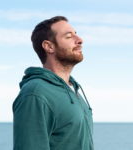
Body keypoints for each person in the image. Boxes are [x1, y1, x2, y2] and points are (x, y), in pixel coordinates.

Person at [13, 16, 94, 150]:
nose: (80, 40)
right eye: (69, 37)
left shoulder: (73, 90)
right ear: (49, 46)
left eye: (76, 35)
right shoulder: (35, 93)